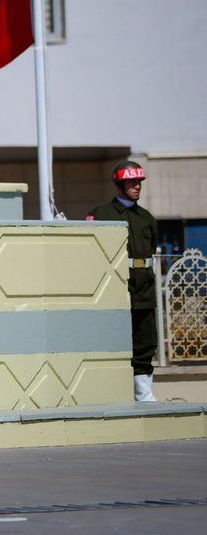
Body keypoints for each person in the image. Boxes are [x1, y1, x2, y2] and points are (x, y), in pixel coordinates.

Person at [86, 160, 160, 402]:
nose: (137, 186)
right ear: (119, 183)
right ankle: (110, 392)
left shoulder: (147, 218)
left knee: (145, 342)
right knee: (112, 341)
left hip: (144, 289)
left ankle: (144, 394)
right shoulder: (100, 214)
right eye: (131, 181)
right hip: (116, 288)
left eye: (139, 181)